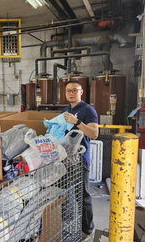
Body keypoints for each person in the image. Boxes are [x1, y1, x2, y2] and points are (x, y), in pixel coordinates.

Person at [62, 79, 99, 241]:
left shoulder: (88, 110)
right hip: (65, 159)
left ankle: (87, 230)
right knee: (63, 192)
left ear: (81, 92)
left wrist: (76, 122)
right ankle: (62, 223)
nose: (71, 93)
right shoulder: (66, 110)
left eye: (74, 90)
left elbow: (94, 134)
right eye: (68, 91)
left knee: (82, 196)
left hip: (80, 159)